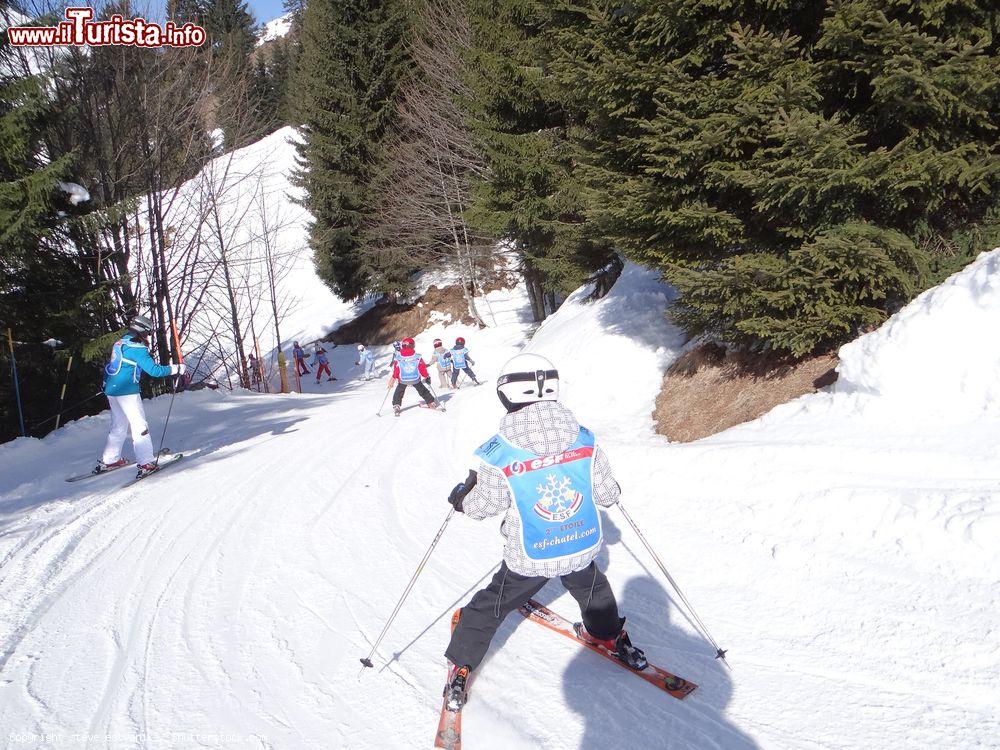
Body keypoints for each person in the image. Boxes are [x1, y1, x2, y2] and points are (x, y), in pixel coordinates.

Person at [440, 353, 644, 710]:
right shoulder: (584, 437)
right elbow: (608, 492)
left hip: (531, 554)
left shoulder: (499, 451)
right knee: (593, 588)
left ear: (508, 394)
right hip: (580, 542)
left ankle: (461, 665)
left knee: (492, 604)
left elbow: (483, 506)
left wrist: (461, 500)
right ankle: (609, 634)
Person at [98, 314, 185, 478]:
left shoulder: (120, 342)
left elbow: (111, 365)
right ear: (142, 330)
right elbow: (154, 370)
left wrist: (105, 383)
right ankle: (145, 463)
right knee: (140, 426)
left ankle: (110, 459)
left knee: (119, 425)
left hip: (112, 390)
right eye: (148, 332)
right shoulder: (137, 348)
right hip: (127, 392)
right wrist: (176, 369)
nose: (148, 336)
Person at [388, 337, 438, 416]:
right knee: (422, 390)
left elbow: (396, 370)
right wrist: (426, 376)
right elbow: (422, 368)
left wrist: (394, 378)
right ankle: (431, 402)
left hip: (403, 380)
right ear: (412, 346)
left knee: (399, 392)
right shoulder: (417, 357)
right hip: (415, 379)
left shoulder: (398, 357)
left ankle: (396, 405)